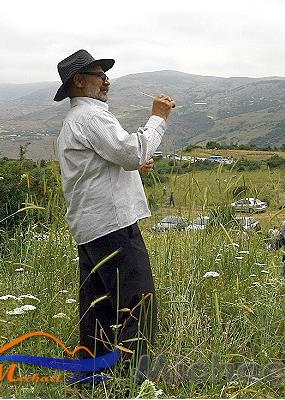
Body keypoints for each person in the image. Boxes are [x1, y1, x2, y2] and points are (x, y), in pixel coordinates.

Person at [54, 49, 175, 380]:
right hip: (113, 226)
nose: (106, 81)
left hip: (92, 228)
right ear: (79, 81)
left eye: (106, 76)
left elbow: (104, 166)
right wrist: (158, 118)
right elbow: (132, 151)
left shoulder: (74, 121)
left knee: (99, 310)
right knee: (139, 305)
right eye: (99, 76)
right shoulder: (93, 117)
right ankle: (131, 383)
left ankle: (91, 381)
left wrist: (134, 167)